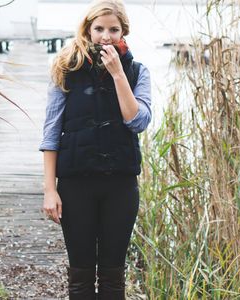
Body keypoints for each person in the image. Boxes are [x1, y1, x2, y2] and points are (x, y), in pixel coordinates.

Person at [39, 0, 151, 298]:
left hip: (121, 186)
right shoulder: (66, 68)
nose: (106, 36)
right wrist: (50, 189)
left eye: (113, 30)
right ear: (88, 30)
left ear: (123, 32)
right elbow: (51, 133)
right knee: (81, 275)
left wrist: (117, 75)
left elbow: (137, 122)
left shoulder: (138, 71)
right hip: (76, 184)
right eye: (99, 29)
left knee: (113, 275)